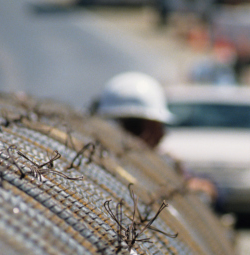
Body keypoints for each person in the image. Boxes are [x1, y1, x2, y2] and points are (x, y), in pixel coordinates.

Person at [92, 72, 218, 205]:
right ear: (147, 128)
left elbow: (215, 191)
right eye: (160, 126)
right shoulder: (150, 171)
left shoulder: (99, 159)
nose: (163, 134)